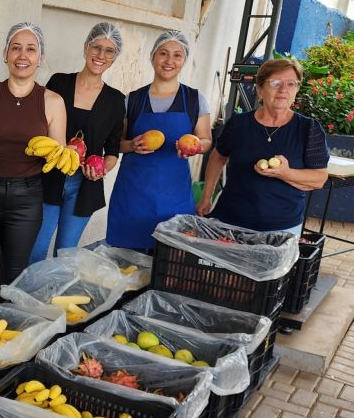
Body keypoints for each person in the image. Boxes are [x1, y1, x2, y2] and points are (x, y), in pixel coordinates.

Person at [0, 22, 67, 308]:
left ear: (40, 57)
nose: (23, 55)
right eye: (16, 48)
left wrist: (67, 155)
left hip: (26, 201)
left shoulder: (53, 102)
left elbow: (58, 156)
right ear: (6, 54)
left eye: (31, 49)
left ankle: (6, 336)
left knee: (12, 286)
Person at [28, 22, 126, 264]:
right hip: (48, 177)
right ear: (85, 48)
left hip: (84, 186)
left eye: (109, 51)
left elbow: (112, 150)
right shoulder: (59, 83)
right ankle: (27, 291)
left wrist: (101, 169)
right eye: (96, 47)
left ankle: (55, 291)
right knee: (34, 251)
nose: (101, 55)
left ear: (115, 58)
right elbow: (38, 125)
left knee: (65, 256)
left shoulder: (115, 100)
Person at [106, 30, 212, 251]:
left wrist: (195, 147)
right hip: (133, 197)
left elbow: (206, 141)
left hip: (175, 198)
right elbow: (116, 143)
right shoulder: (132, 100)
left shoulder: (195, 100)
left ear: (184, 60)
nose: (169, 61)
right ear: (153, 56)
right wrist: (132, 145)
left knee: (169, 260)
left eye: (177, 55)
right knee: (126, 261)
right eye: (163, 53)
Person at [198, 58, 329, 233]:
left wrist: (285, 173)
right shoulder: (238, 124)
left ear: (297, 90)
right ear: (259, 89)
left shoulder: (309, 128)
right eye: (275, 83)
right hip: (230, 220)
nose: (283, 89)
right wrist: (206, 196)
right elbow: (218, 157)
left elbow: (319, 178)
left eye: (291, 84)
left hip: (281, 228)